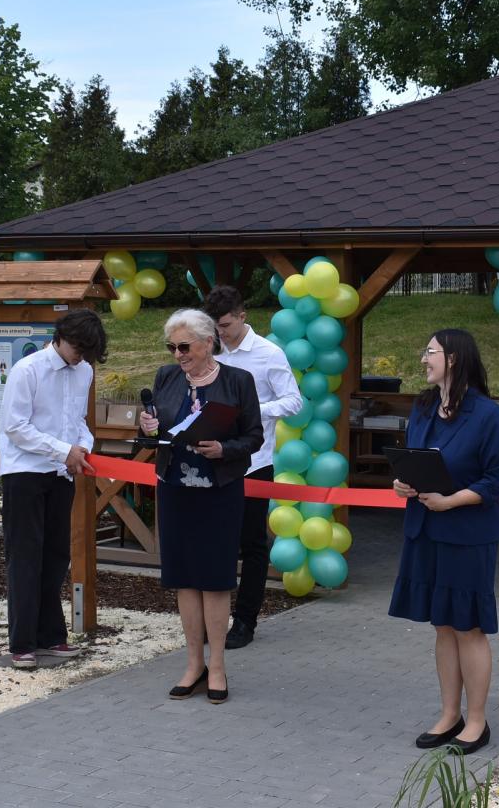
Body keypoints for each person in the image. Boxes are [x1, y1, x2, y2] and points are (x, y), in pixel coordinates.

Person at [388, 329, 499, 756]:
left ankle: (476, 720)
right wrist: (402, 483)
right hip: (425, 528)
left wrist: (451, 501)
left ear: (454, 358)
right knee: (443, 624)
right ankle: (448, 714)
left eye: (430, 352)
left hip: (467, 535)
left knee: (468, 626)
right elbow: (413, 460)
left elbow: (498, 480)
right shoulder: (423, 407)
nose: (423, 359)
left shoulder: (487, 414)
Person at [139, 308, 263, 703]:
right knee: (184, 577)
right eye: (171, 347)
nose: (177, 354)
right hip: (175, 488)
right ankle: (194, 664)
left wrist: (224, 448)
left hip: (218, 491)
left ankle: (218, 667)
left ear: (208, 343)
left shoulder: (238, 381)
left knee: (215, 578)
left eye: (184, 347)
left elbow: (254, 437)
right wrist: (147, 427)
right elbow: (157, 432)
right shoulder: (166, 377)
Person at [0, 309, 108, 669]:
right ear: (60, 337)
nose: (81, 357)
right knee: (25, 557)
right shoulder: (27, 370)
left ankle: (51, 635)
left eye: (87, 352)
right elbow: (15, 426)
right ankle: (22, 643)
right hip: (24, 472)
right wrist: (64, 451)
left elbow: (77, 421)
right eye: (78, 349)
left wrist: (83, 447)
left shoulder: (84, 371)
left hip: (61, 474)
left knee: (57, 556)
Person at [201, 285, 303, 649]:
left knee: (252, 545)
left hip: (254, 462)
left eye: (226, 325)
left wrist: (253, 411)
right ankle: (213, 618)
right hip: (213, 458)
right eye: (215, 327)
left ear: (243, 317)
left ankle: (245, 620)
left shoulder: (268, 353)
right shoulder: (210, 351)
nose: (221, 333)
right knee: (215, 542)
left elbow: (293, 401)